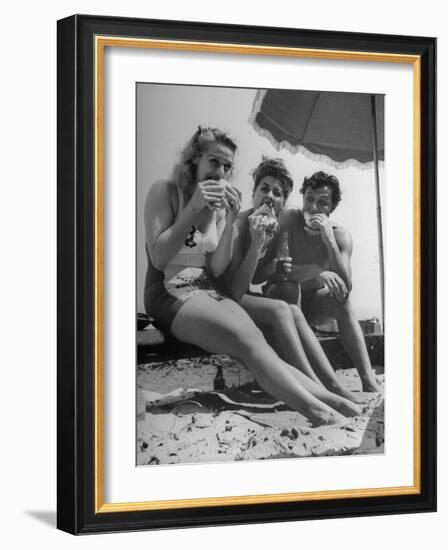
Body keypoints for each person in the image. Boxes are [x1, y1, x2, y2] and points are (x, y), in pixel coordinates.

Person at [144, 127, 362, 426]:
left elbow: (217, 268)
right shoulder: (165, 191)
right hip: (169, 290)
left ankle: (329, 397)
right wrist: (194, 206)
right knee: (246, 341)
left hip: (206, 289)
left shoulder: (221, 210)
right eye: (213, 162)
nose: (220, 172)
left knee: (258, 344)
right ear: (194, 159)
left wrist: (230, 218)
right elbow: (158, 256)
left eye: (227, 166)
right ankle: (318, 411)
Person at [221, 158, 366, 405]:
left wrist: (278, 268)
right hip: (232, 300)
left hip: (262, 301)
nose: (269, 197)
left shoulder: (279, 225)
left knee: (298, 310)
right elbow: (238, 287)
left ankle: (334, 385)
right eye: (264, 189)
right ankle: (318, 390)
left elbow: (258, 275)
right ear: (253, 193)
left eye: (277, 193)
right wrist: (261, 249)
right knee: (284, 305)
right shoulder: (249, 224)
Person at [264, 171, 381, 392]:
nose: (313, 208)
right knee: (290, 288)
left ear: (331, 209)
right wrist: (317, 273)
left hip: (313, 304)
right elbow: (275, 271)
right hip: (281, 297)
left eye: (322, 203)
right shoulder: (289, 219)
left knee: (341, 299)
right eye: (309, 199)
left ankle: (367, 379)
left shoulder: (340, 236)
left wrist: (329, 241)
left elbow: (345, 286)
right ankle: (305, 378)